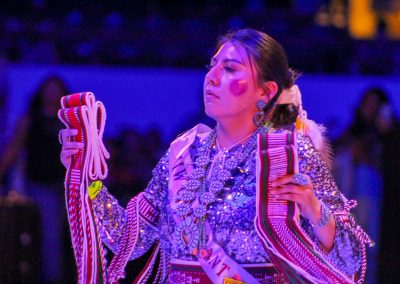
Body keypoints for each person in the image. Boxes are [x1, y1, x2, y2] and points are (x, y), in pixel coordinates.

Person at [60, 29, 371, 283]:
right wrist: (87, 179)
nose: (212, 77)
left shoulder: (287, 154)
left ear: (265, 91)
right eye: (212, 66)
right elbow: (130, 236)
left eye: (230, 68)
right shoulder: (183, 153)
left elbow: (349, 259)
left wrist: (315, 210)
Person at [0, 75, 70, 283]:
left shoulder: (69, 121)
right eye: (48, 89)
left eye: (56, 89)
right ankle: (51, 278)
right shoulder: (30, 119)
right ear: (41, 92)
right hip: (40, 185)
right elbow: (14, 149)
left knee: (70, 236)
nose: (52, 93)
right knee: (49, 235)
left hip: (69, 187)